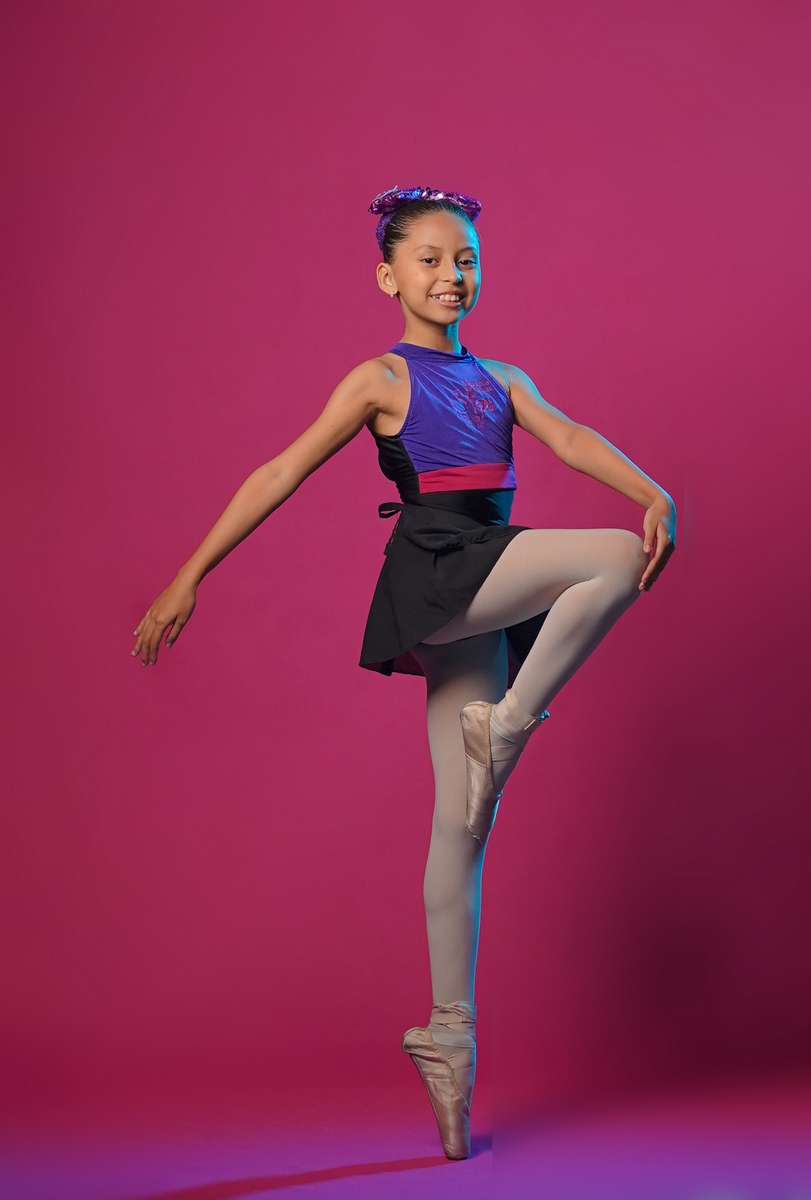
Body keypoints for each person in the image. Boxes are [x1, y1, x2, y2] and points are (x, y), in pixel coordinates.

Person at [131, 184, 677, 1160]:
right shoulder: (380, 378)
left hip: (483, 571)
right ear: (388, 277)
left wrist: (652, 488)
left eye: (465, 259)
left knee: (462, 824)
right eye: (429, 259)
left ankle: (448, 1037)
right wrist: (190, 573)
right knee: (609, 557)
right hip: (437, 570)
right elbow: (281, 470)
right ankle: (507, 723)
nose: (450, 274)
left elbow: (567, 437)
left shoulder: (502, 377)